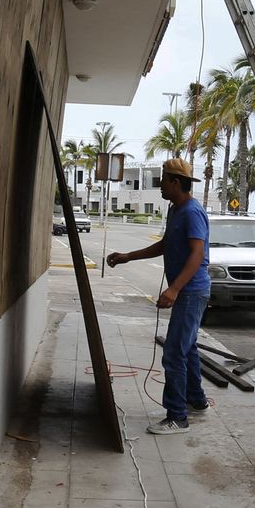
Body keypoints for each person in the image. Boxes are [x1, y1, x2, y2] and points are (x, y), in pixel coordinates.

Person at [106, 158, 211, 434]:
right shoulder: (175, 211)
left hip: (191, 292)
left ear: (176, 182)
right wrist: (129, 256)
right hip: (187, 291)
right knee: (186, 347)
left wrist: (174, 288)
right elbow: (166, 245)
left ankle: (177, 416)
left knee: (174, 353)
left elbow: (197, 254)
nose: (160, 185)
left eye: (163, 180)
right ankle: (196, 401)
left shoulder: (191, 212)